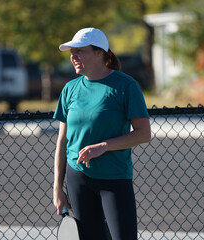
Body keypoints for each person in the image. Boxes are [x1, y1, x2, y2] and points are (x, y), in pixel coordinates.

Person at [53, 27, 151, 240]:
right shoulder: (70, 89)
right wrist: (57, 188)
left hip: (114, 177)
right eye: (72, 52)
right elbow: (62, 141)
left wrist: (104, 146)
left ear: (100, 53)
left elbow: (144, 133)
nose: (73, 56)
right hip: (77, 178)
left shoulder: (125, 86)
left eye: (80, 51)